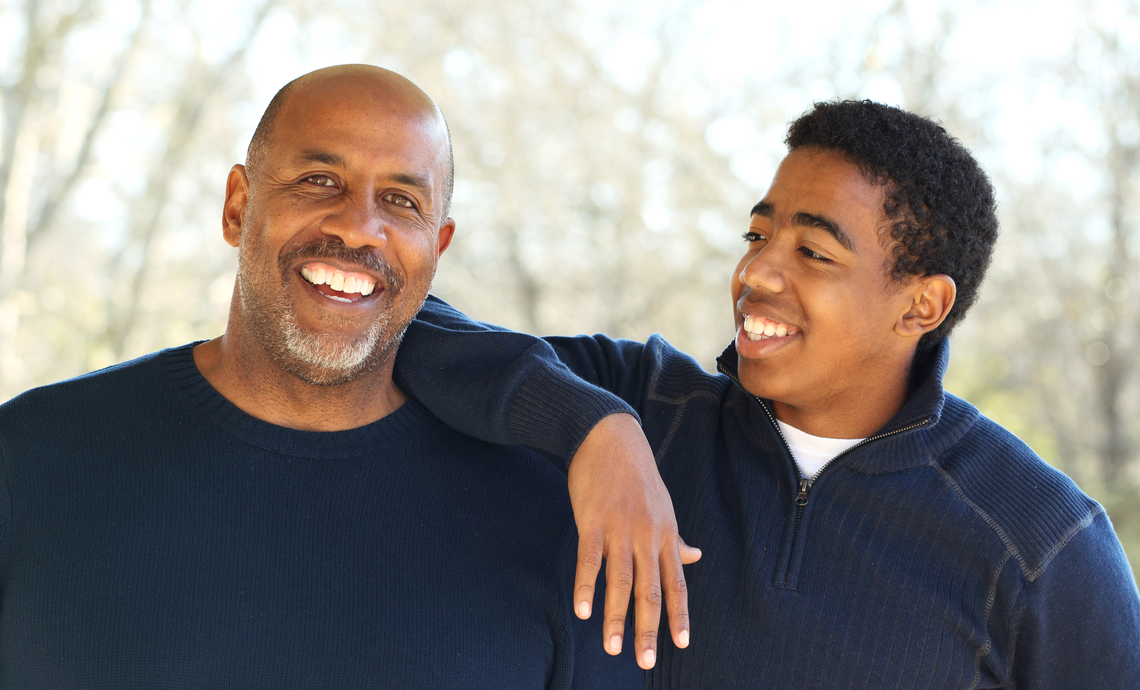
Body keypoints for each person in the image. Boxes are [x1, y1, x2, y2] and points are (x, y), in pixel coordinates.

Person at [393, 101, 1140, 688]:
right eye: (757, 236)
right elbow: (396, 323)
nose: (756, 274)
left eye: (813, 252)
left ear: (921, 307)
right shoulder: (645, 407)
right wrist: (597, 430)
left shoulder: (1042, 543)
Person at [0, 64, 645, 689]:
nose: (359, 227)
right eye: (318, 180)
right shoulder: (31, 454)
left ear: (437, 248)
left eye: (400, 200)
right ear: (237, 207)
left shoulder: (561, 520)